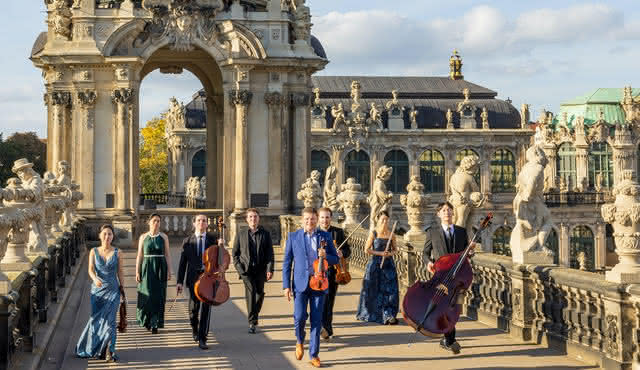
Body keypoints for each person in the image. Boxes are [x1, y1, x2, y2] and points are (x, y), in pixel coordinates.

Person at [282, 207, 339, 368]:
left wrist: (325, 255)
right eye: (307, 219)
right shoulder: (293, 237)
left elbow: (335, 259)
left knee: (316, 320)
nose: (310, 222)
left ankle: (314, 354)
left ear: (316, 220)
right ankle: (299, 340)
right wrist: (286, 286)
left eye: (313, 219)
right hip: (300, 284)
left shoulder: (325, 236)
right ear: (302, 220)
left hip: (319, 284)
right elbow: (287, 263)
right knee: (299, 317)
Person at [422, 201, 477, 355]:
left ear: (453, 213)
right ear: (438, 214)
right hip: (440, 276)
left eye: (449, 210)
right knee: (445, 306)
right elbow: (425, 253)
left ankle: (447, 339)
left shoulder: (461, 231)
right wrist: (428, 263)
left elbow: (466, 254)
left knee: (456, 307)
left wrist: (471, 251)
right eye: (444, 210)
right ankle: (449, 339)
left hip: (458, 277)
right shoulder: (432, 232)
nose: (447, 213)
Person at [76, 224, 124, 362]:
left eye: (110, 234)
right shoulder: (93, 251)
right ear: (99, 235)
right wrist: (95, 279)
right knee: (97, 320)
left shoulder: (118, 252)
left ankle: (110, 350)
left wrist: (122, 290)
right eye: (104, 234)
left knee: (110, 322)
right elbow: (90, 269)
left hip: (113, 290)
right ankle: (97, 348)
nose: (107, 236)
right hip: (97, 291)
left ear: (113, 236)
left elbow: (120, 272)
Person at [177, 214, 223, 350]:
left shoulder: (213, 240)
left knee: (206, 309)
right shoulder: (187, 241)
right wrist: (179, 281)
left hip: (208, 278)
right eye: (199, 220)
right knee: (193, 309)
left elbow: (220, 261)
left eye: (204, 221)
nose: (201, 223)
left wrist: (221, 247)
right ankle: (194, 328)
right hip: (192, 279)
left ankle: (203, 338)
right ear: (194, 224)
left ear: (207, 224)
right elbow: (182, 263)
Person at [232, 208, 275, 334]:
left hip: (261, 270)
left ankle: (253, 315)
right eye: (250, 217)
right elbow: (235, 254)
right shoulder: (241, 234)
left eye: (255, 217)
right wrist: (240, 270)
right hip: (246, 270)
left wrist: (270, 269)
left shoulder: (265, 234)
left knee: (260, 293)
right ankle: (252, 322)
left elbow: (270, 254)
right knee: (251, 293)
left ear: (258, 219)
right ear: (247, 219)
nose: (253, 219)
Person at [356, 211, 399, 325]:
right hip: (375, 264)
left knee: (390, 290)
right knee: (374, 289)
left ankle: (389, 314)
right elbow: (367, 250)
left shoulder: (391, 235)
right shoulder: (374, 233)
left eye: (386, 219)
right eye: (382, 219)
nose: (384, 222)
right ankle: (373, 313)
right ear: (378, 220)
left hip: (388, 265)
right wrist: (380, 254)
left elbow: (395, 250)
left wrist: (389, 254)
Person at [317, 207, 351, 340]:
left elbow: (347, 250)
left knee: (329, 301)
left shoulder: (338, 232)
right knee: (319, 301)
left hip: (333, 272)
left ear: (331, 218)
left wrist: (342, 253)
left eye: (327, 217)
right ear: (318, 218)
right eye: (322, 217)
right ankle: (319, 325)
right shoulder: (315, 233)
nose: (325, 220)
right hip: (318, 271)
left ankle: (327, 328)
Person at [136, 213, 173, 334]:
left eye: (158, 221)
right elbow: (139, 255)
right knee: (146, 295)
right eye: (154, 221)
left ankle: (155, 323)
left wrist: (169, 270)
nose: (156, 223)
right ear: (149, 222)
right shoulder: (143, 237)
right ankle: (146, 321)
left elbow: (167, 255)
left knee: (158, 296)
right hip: (146, 267)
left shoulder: (164, 237)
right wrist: (137, 271)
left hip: (160, 267)